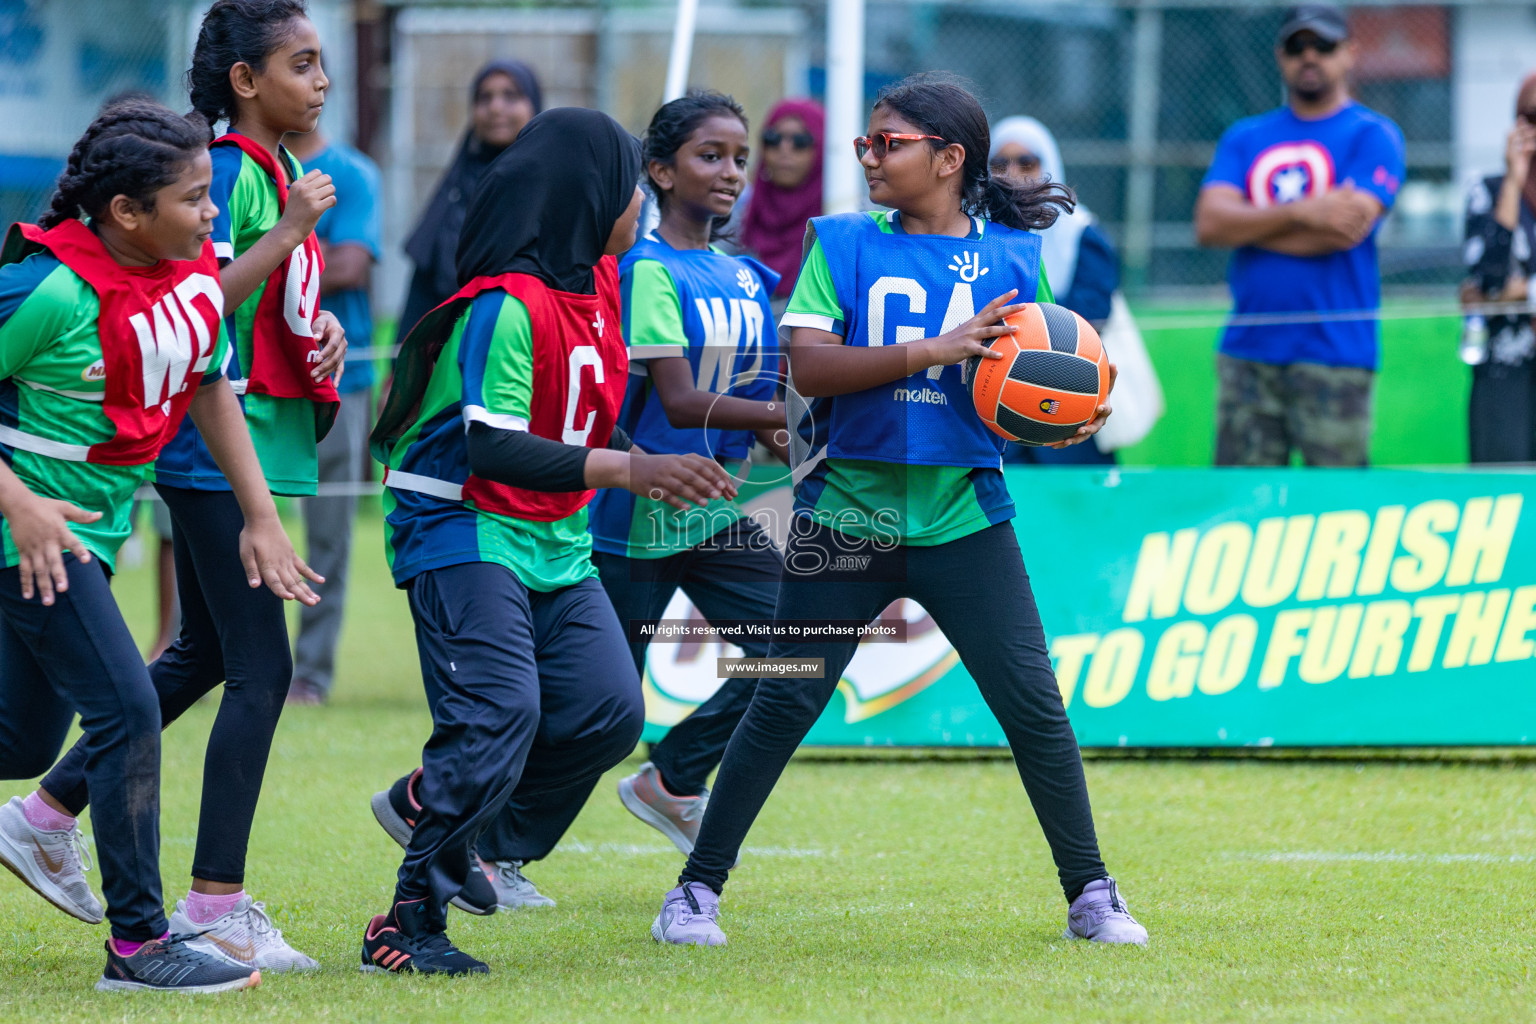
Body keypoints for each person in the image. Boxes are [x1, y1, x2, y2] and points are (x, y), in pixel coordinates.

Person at [648, 73, 1147, 949]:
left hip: (965, 518)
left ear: (949, 159)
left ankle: (1092, 892)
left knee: (1034, 705)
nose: (869, 156)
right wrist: (933, 349)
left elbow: (1019, 384)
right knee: (784, 700)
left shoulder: (1014, 256)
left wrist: (1069, 410)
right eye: (867, 143)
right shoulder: (839, 242)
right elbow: (809, 369)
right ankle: (694, 893)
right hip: (849, 516)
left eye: (890, 143)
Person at [360, 107, 738, 975]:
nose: (642, 203)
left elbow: (587, 418)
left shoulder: (602, 287)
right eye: (631, 188)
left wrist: (666, 458)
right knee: (501, 714)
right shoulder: (507, 306)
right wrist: (631, 470)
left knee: (611, 711)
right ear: (585, 195)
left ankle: (437, 805)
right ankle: (406, 924)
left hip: (552, 533)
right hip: (462, 522)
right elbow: (491, 445)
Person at [15, 0, 346, 974]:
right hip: (94, 497)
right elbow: (200, 326)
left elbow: (209, 353)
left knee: (54, 718)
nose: (213, 216)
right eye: (302, 62)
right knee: (186, 691)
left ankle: (44, 818)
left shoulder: (225, 229)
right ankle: (174, 924)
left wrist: (260, 510)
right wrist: (20, 501)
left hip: (145, 496)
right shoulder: (62, 281)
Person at [1194, 3, 1404, 467]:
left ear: (1349, 53)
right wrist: (1307, 211)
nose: (1309, 56)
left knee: (1336, 515)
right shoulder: (1245, 136)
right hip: (1247, 353)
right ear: (1280, 56)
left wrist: (1248, 224)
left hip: (1336, 355)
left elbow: (1347, 229)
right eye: (1297, 46)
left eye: (1323, 45)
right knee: (1241, 512)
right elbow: (1210, 224)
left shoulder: (1374, 135)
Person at [284, 119, 382, 704]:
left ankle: (311, 673)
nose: (314, 81)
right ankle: (225, 661)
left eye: (316, 66)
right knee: (236, 523)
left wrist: (268, 252)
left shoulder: (352, 174)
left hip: (338, 375)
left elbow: (352, 266)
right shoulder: (239, 168)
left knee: (328, 534)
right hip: (248, 376)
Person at [990, 114, 1119, 466]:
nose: (1013, 173)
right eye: (999, 163)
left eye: (1027, 162)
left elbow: (1089, 324)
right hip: (995, 408)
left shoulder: (1083, 235)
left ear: (1050, 165)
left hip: (1068, 400)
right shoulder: (977, 237)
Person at [396, 60, 541, 341]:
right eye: (484, 98)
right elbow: (425, 281)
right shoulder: (457, 190)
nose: (496, 108)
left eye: (511, 96)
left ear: (534, 104)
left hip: (530, 344)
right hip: (456, 344)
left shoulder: (552, 185)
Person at [1462, 72, 1536, 462]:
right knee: (1504, 490)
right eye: (1533, 117)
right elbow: (1489, 282)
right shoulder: (1488, 189)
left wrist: (1523, 291)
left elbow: (1500, 293)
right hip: (1504, 370)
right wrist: (1513, 180)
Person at [738, 98, 823, 312]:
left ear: (822, 148)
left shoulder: (844, 220)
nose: (784, 150)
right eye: (773, 139)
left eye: (800, 141)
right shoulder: (736, 217)